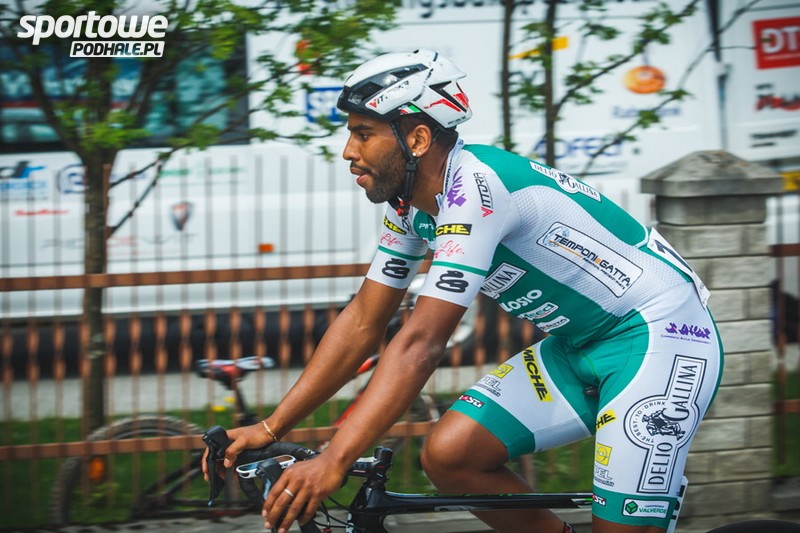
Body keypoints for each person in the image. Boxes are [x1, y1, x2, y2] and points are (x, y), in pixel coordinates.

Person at [203, 49, 724, 533]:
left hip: (659, 337)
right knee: (452, 456)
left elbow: (420, 344)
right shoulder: (411, 207)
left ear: (418, 139)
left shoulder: (476, 189)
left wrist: (335, 460)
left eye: (363, 134)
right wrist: (270, 428)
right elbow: (363, 320)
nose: (348, 152)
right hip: (580, 344)